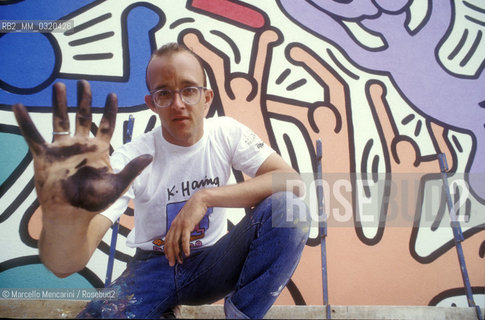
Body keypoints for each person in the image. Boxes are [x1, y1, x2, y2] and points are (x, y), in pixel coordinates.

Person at [13, 42, 310, 319]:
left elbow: (293, 182)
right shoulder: (133, 159)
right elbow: (67, 266)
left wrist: (206, 197)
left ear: (206, 97)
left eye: (189, 90)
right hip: (151, 268)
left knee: (288, 208)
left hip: (212, 263)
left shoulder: (227, 133)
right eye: (164, 93)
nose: (178, 103)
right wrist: (66, 219)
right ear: (152, 103)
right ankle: (162, 309)